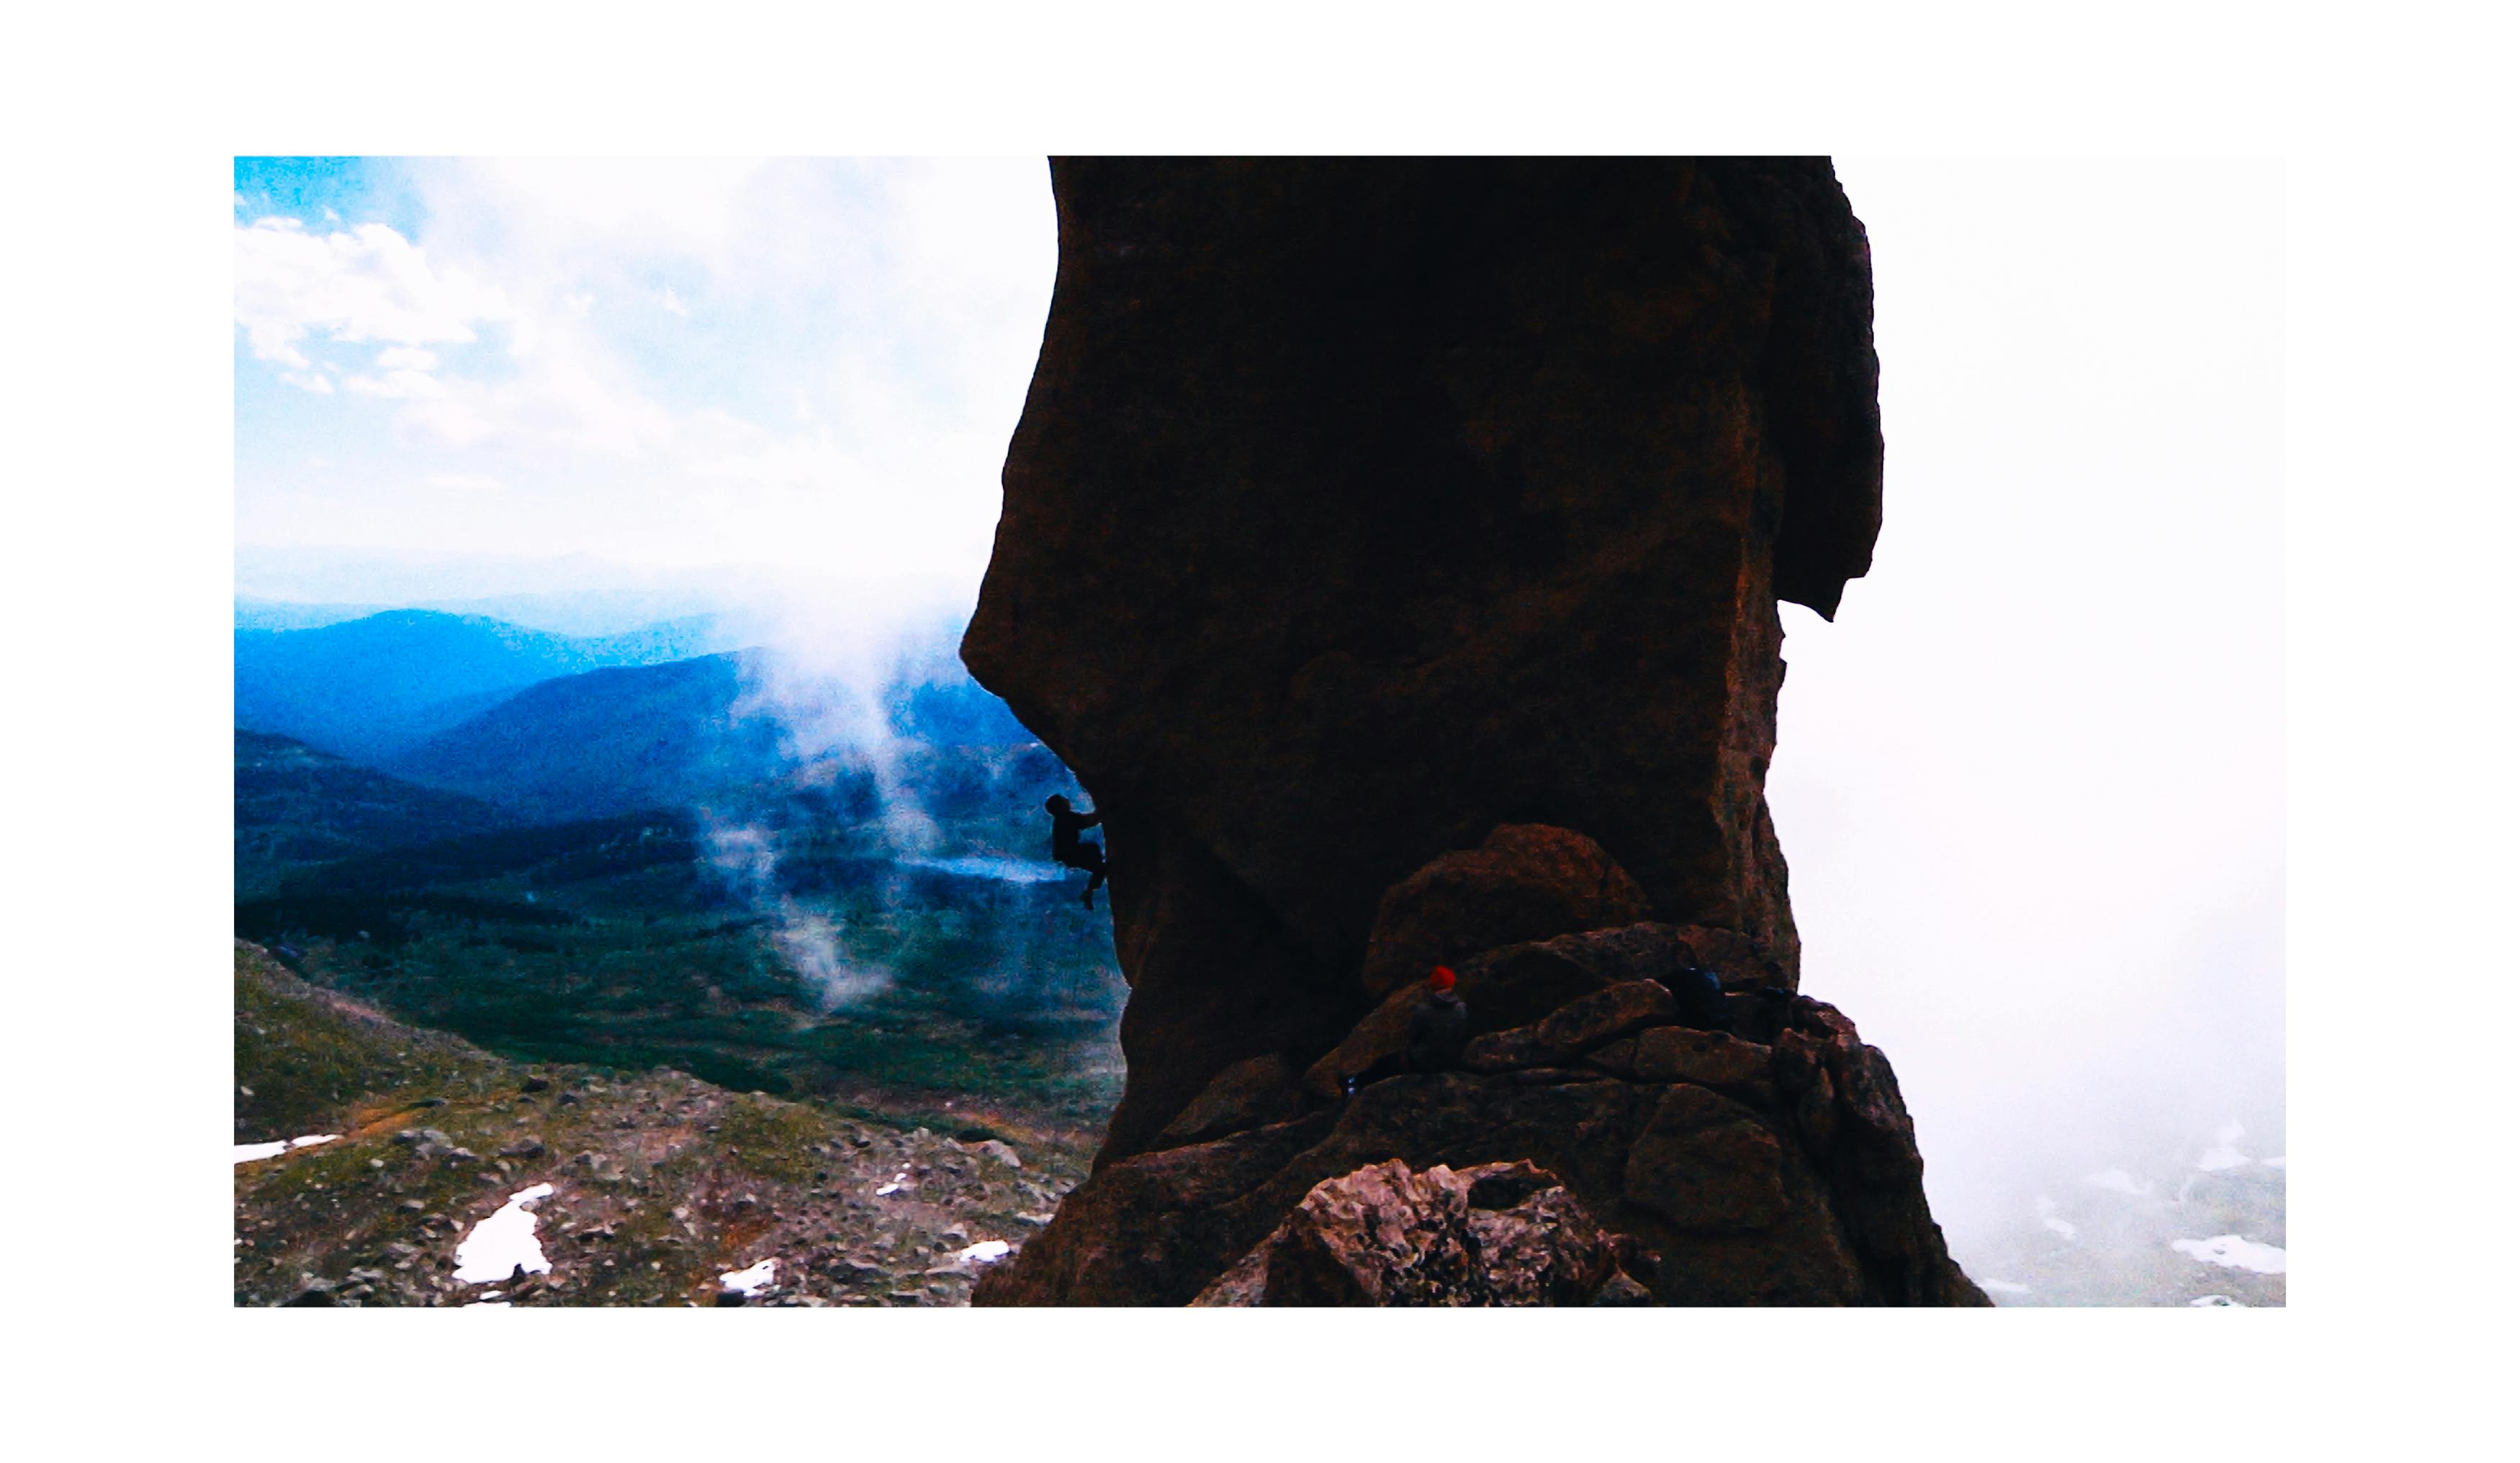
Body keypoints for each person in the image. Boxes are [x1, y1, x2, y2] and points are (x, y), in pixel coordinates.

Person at [1044, 795, 1108, 909]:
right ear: (1061, 806)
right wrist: (1104, 811)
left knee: (1097, 863)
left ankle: (1089, 892)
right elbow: (1088, 822)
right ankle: (1090, 891)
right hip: (1072, 853)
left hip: (1068, 855)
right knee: (1098, 863)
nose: (1068, 800)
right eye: (1064, 800)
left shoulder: (1060, 820)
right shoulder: (1067, 817)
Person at [1405, 965, 1470, 1073]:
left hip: (1423, 1062)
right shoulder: (1461, 1008)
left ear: (1431, 985)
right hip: (1451, 1061)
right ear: (1451, 984)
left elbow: (1412, 1037)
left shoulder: (1422, 1010)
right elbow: (1460, 1035)